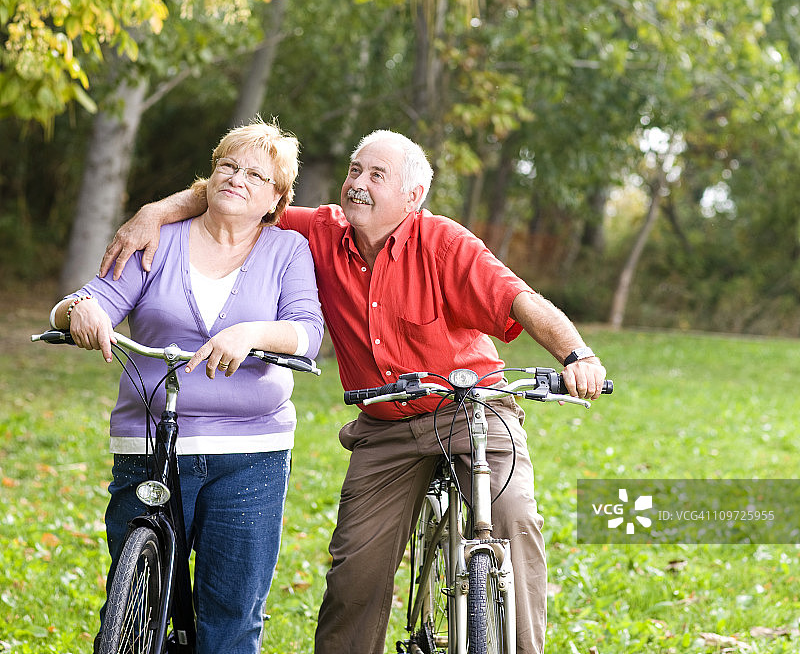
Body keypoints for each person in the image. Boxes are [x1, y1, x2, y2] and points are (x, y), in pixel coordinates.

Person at [100, 129, 607, 654]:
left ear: (413, 197)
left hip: (472, 412)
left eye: (376, 175)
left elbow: (518, 299)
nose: (357, 184)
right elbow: (239, 196)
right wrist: (153, 213)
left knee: (513, 520)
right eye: (355, 171)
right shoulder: (318, 232)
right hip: (384, 424)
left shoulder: (445, 244)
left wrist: (577, 356)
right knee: (355, 574)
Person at [51, 119, 324, 654]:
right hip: (151, 444)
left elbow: (307, 333)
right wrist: (79, 312)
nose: (236, 178)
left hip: (249, 452)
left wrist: (250, 333)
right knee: (133, 610)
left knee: (230, 617)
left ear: (276, 198)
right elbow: (86, 300)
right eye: (227, 165)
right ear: (210, 174)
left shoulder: (287, 250)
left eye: (254, 174)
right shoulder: (158, 240)